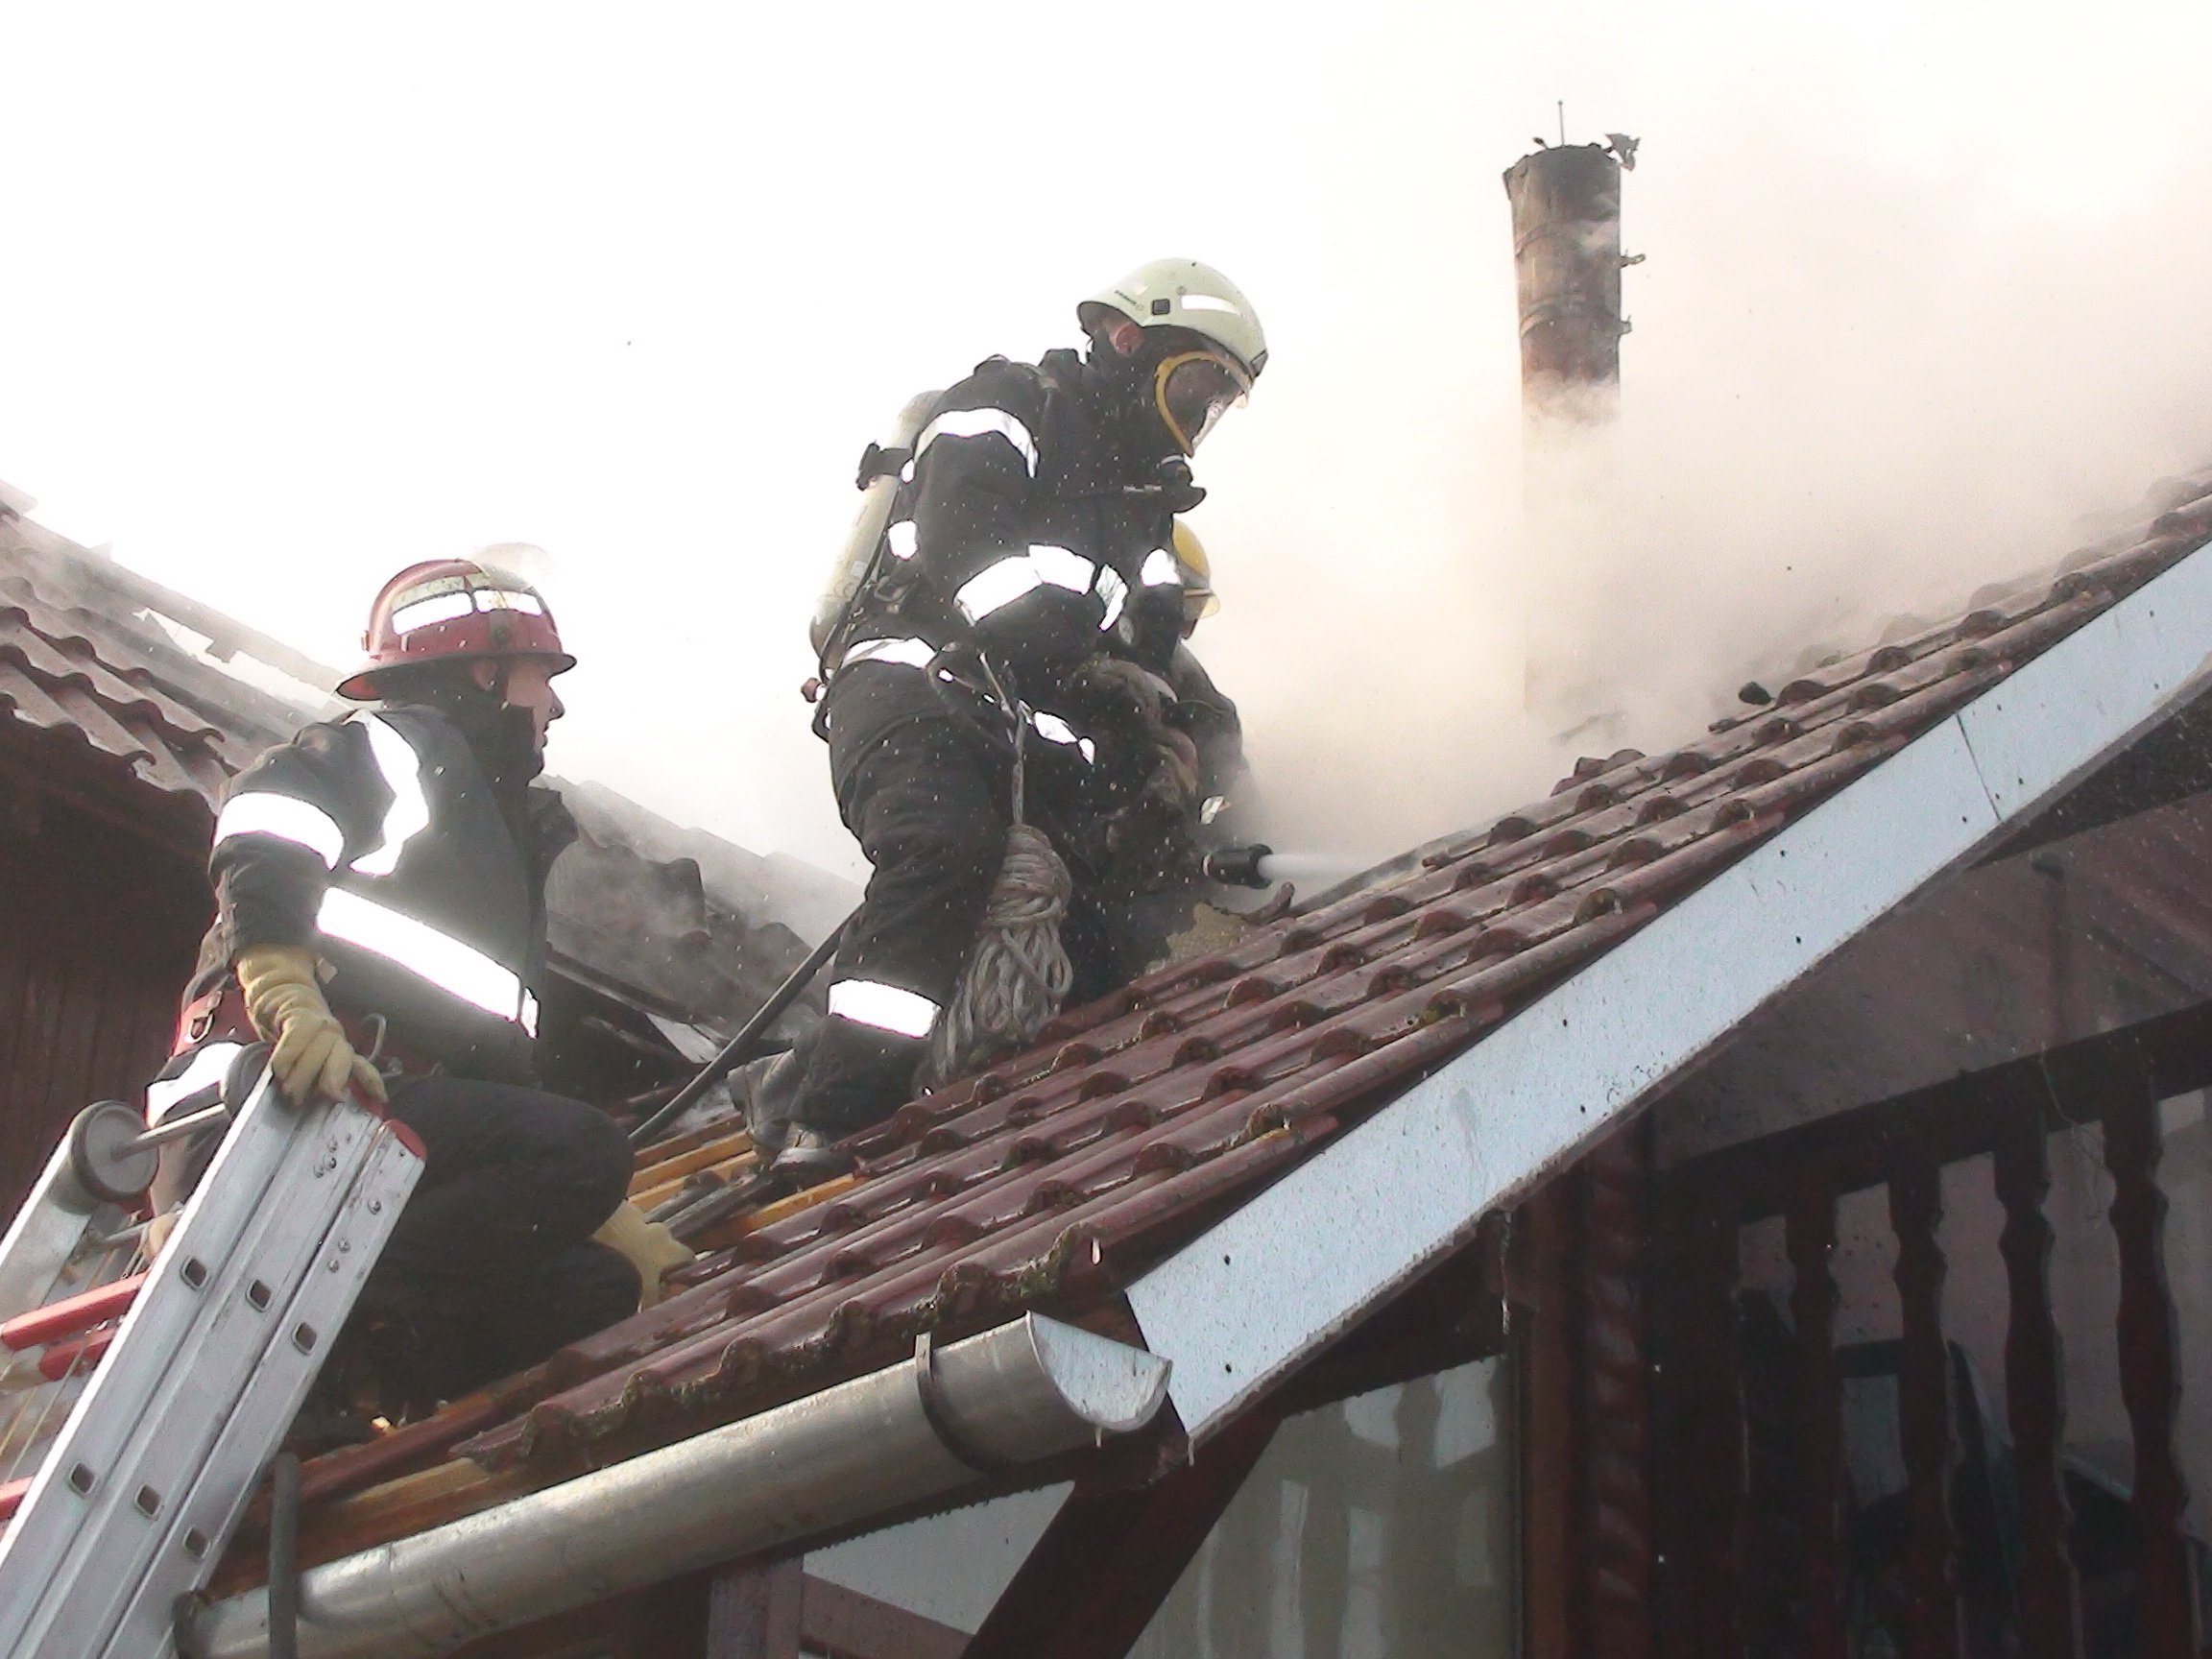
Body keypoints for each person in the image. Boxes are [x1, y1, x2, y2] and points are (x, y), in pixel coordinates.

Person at [145, 554, 687, 1422]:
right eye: (542, 676)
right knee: (584, 1150)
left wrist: (605, 1215)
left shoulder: (494, 851)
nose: (555, 706)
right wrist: (284, 992)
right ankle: (336, 1308)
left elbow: (499, 1083)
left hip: (366, 1141)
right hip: (268, 1112)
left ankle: (366, 1370)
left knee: (595, 1284)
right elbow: (265, 815)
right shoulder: (403, 746)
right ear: (484, 671)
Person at [770, 259, 1266, 1180]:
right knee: (945, 848)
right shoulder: (1009, 404)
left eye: (1217, 403)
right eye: (1194, 386)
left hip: (1013, 717)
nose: (1200, 417)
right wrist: (1079, 677)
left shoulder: (1144, 512)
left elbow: (1153, 655)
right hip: (913, 678)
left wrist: (1152, 750)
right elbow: (967, 545)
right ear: (1128, 342)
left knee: (1104, 912)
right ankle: (828, 1129)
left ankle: (1006, 1116)